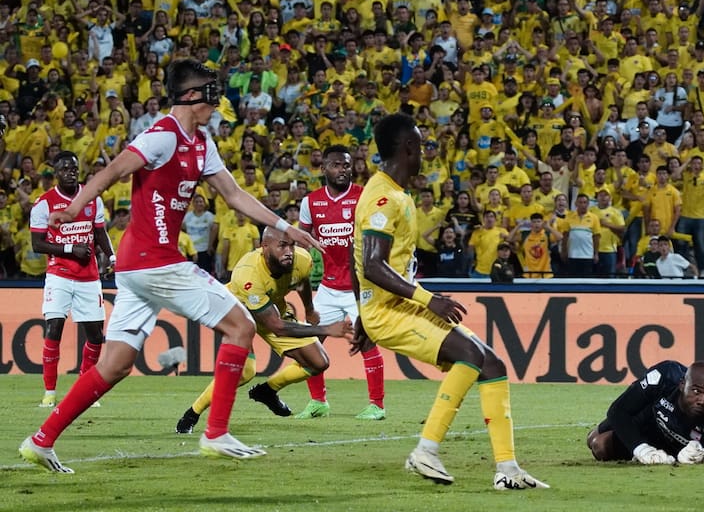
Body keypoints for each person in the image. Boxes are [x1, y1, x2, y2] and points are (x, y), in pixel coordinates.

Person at [18, 59, 322, 474]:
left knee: (116, 364)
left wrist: (285, 226)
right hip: (156, 261)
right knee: (242, 327)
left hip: (135, 269)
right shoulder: (163, 135)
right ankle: (215, 431)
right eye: (212, 93)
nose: (218, 102)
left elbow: (234, 195)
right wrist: (72, 209)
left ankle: (41, 440)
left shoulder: (202, 143)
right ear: (193, 96)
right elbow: (112, 171)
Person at [352, 112, 548, 490]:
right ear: (409, 147)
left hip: (391, 305)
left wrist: (361, 309)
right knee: (471, 356)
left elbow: (353, 253)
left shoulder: (395, 193)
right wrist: (427, 300)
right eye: (422, 144)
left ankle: (507, 470)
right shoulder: (382, 196)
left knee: (491, 363)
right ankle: (426, 450)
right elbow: (373, 265)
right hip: (391, 310)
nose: (425, 151)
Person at [176, 228, 353, 433]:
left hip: (272, 308)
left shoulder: (302, 259)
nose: (289, 251)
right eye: (282, 246)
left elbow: (302, 281)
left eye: (291, 245)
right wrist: (327, 329)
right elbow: (277, 327)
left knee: (319, 362)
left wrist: (309, 309)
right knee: (245, 372)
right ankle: (192, 414)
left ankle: (267, 391)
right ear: (264, 247)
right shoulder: (248, 274)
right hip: (236, 312)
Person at [296, 144, 388, 420]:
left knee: (366, 341)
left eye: (346, 165)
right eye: (336, 165)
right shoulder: (310, 202)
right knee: (310, 343)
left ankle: (377, 405)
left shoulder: (363, 197)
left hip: (360, 289)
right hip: (328, 286)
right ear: (323, 168)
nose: (343, 170)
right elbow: (302, 245)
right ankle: (318, 402)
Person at [30, 151, 116, 408]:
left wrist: (112, 258)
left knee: (95, 336)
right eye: (65, 168)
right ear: (56, 173)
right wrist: (70, 250)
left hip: (89, 278)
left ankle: (84, 388)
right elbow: (37, 244)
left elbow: (100, 233)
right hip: (59, 275)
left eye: (74, 168)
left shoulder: (92, 199)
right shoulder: (44, 203)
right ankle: (49, 393)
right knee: (54, 328)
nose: (71, 171)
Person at [586, 360, 704, 465]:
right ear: (682, 385)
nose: (702, 401)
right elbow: (617, 410)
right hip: (647, 420)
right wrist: (641, 449)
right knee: (591, 438)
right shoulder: (664, 377)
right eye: (696, 391)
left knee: (600, 446)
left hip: (674, 450)